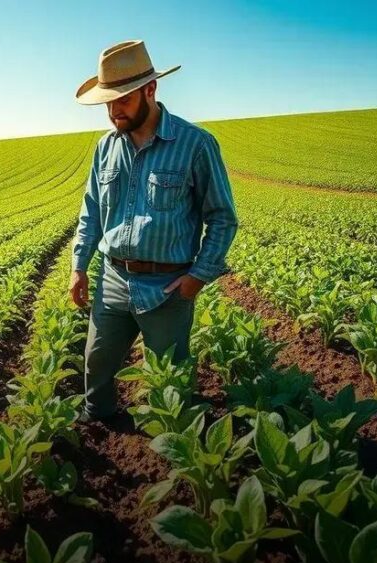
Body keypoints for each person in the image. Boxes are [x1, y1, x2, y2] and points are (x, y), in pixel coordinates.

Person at [69, 39, 239, 423]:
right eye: (108, 103)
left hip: (166, 287)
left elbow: (222, 217)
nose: (114, 111)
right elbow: (92, 211)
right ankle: (99, 424)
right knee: (96, 364)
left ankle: (175, 451)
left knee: (170, 383)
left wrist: (198, 276)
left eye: (123, 100)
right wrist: (79, 266)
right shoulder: (105, 147)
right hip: (112, 279)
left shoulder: (195, 144)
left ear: (150, 89)